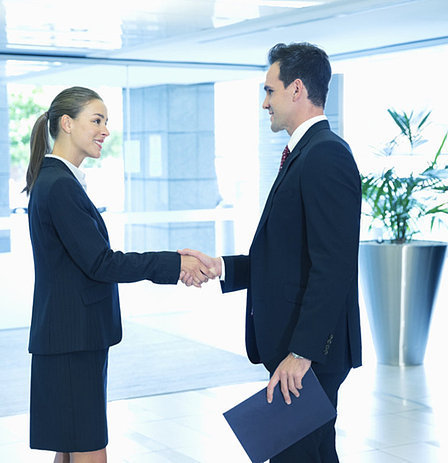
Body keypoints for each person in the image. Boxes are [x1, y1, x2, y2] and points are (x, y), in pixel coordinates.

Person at [180, 43, 362, 462]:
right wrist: (221, 266)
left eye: (270, 91)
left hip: (311, 354)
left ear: (296, 89)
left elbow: (332, 266)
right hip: (299, 349)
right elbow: (285, 256)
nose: (265, 103)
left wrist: (302, 353)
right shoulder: (302, 154)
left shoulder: (325, 155)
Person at [24, 86, 212, 463]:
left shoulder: (56, 180)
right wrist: (174, 264)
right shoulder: (60, 185)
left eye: (106, 122)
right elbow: (102, 263)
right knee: (90, 449)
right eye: (96, 120)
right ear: (66, 123)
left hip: (68, 337)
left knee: (70, 446)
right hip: (72, 339)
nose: (105, 130)